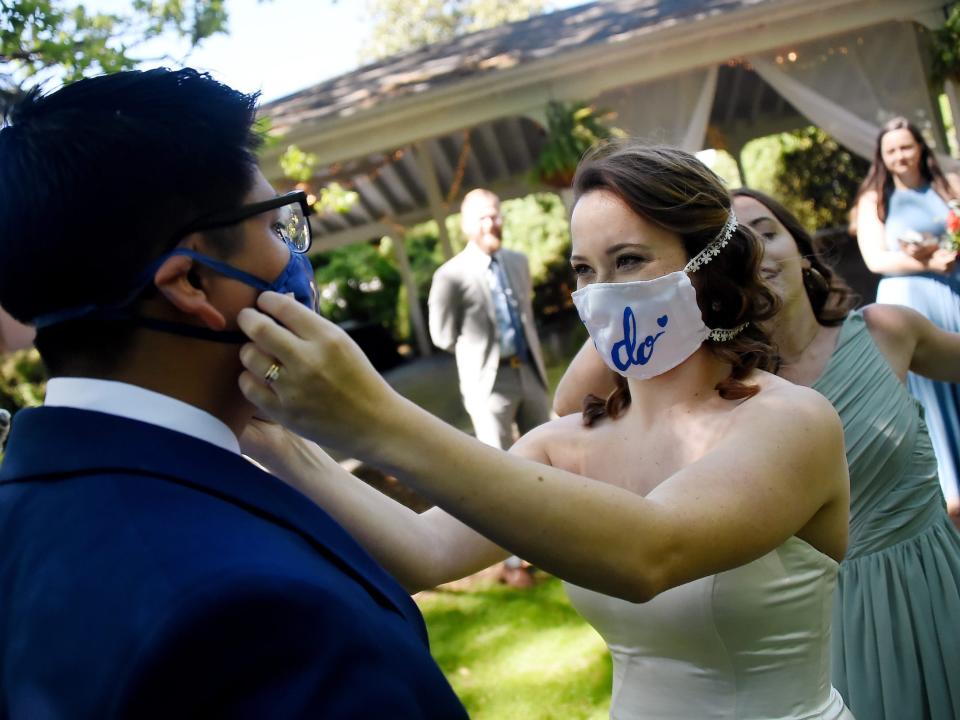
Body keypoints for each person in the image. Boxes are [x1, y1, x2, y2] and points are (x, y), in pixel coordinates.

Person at [237, 142, 854, 719]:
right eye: (584, 269)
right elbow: (425, 551)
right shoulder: (566, 444)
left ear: (708, 268)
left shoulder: (791, 422)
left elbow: (650, 553)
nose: (600, 292)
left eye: (629, 260)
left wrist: (375, 415)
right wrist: (276, 441)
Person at [0, 68, 467, 719]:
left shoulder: (27, 515)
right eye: (278, 228)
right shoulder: (261, 618)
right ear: (190, 281)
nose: (295, 254)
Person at [556, 187, 960, 720]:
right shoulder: (741, 395)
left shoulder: (887, 330)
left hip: (933, 578)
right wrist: (624, 292)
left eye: (766, 232)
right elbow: (567, 409)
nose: (758, 253)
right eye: (736, 243)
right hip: (827, 618)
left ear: (800, 245)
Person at [855, 117, 960, 515]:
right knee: (928, 389)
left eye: (906, 146)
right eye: (891, 150)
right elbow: (875, 258)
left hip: (953, 292)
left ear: (920, 148)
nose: (900, 155)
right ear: (882, 158)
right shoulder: (874, 198)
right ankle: (949, 489)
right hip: (910, 298)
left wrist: (948, 255)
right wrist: (923, 260)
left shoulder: (947, 185)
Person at [428, 188, 551, 451]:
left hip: (530, 373)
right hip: (489, 382)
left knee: (548, 450)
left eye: (495, 216)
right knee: (501, 462)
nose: (490, 224)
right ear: (466, 225)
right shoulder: (450, 276)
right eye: (482, 218)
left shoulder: (519, 262)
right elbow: (442, 336)